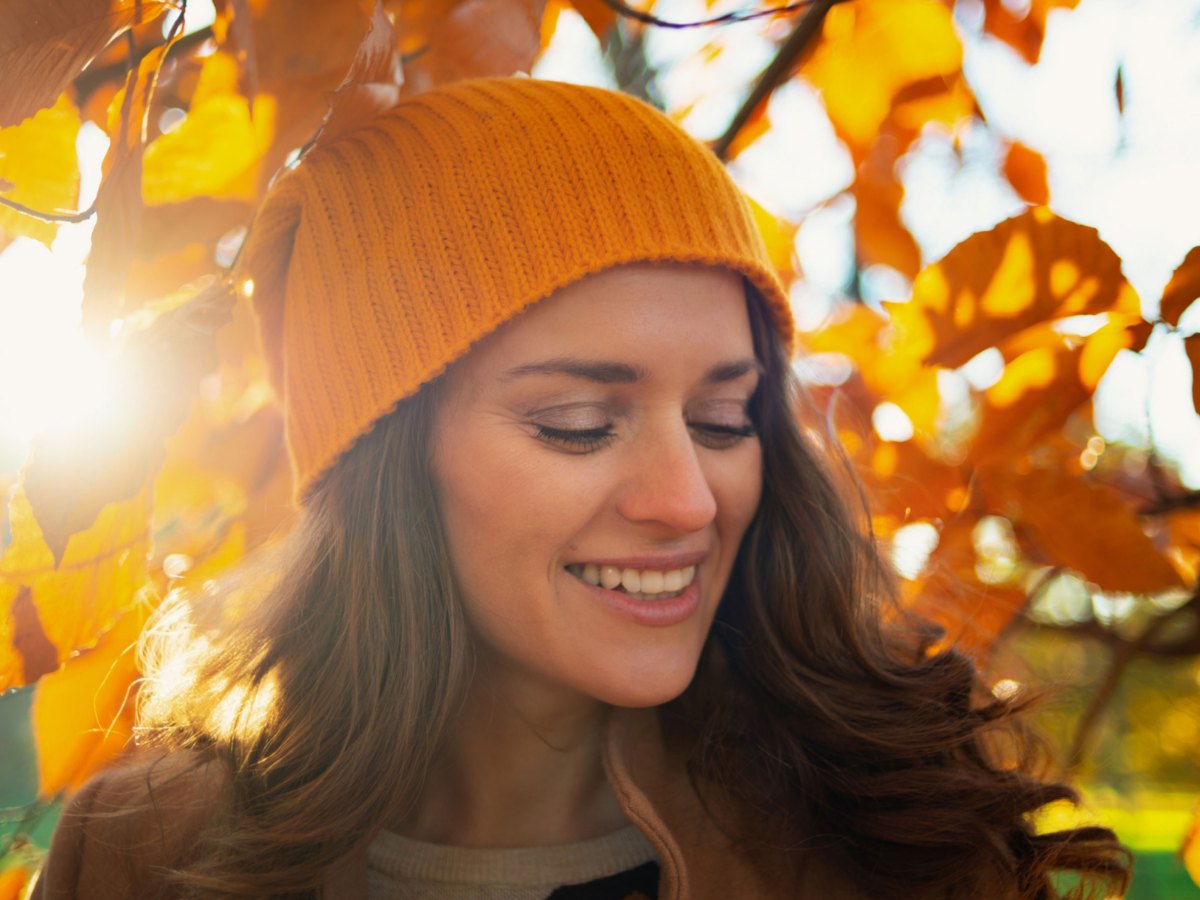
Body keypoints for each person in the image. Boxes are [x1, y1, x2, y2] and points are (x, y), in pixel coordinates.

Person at [32, 77, 1129, 899]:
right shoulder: (145, 853)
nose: (688, 500)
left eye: (722, 419)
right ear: (381, 464)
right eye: (578, 425)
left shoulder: (898, 841)